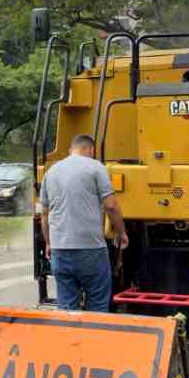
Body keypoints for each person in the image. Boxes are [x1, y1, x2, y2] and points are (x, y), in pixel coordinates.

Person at [39, 134, 128, 312]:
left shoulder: (51, 172)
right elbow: (111, 207)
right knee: (97, 305)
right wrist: (121, 232)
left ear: (71, 150)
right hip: (91, 250)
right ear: (91, 150)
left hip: (60, 250)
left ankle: (69, 339)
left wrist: (49, 243)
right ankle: (94, 338)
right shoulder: (96, 167)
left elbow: (44, 214)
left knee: (66, 308)